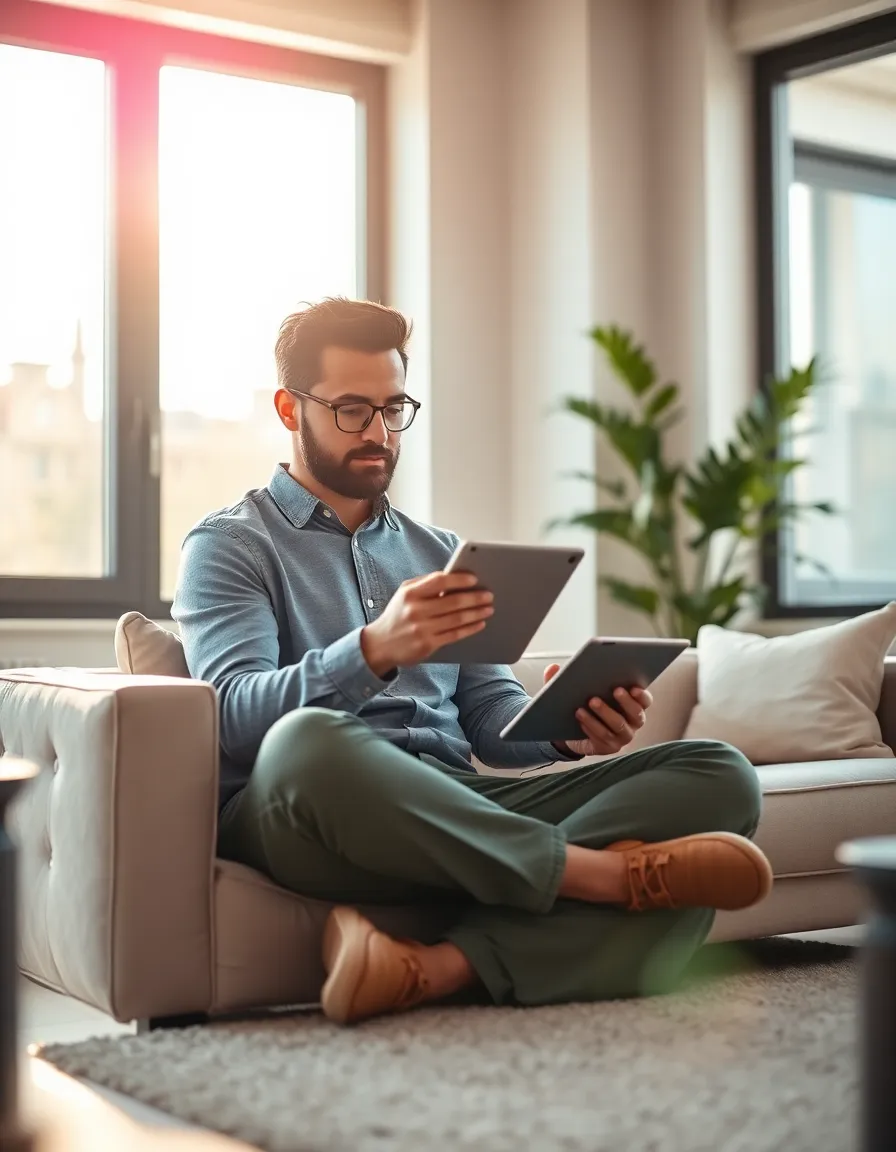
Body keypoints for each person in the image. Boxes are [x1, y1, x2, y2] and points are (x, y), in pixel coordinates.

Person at [172, 297, 771, 1027]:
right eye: (352, 410)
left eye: (394, 408)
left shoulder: (440, 552)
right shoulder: (230, 545)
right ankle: (602, 878)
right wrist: (375, 650)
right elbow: (232, 717)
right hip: (311, 812)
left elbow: (488, 723)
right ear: (289, 409)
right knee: (309, 741)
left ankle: (430, 969)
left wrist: (565, 731)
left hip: (455, 807)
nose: (380, 432)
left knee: (718, 772)